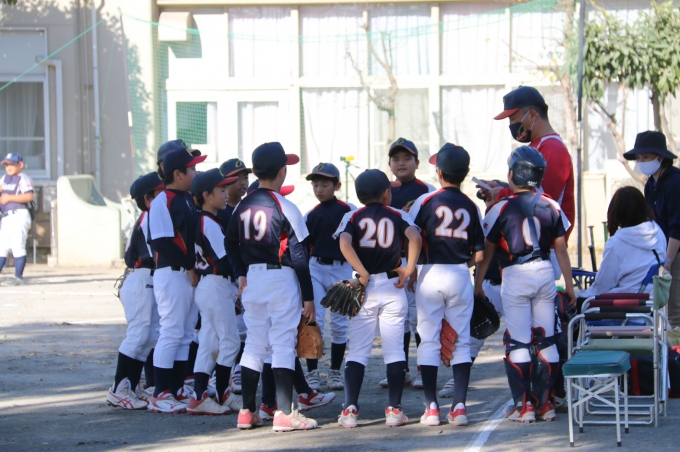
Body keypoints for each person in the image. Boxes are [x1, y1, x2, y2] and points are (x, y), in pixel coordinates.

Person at [474, 146, 575, 423]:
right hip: (544, 272)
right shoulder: (551, 205)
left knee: (518, 340)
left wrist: (478, 284)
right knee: (546, 338)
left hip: (515, 274)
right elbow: (561, 249)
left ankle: (524, 406)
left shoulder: (501, 208)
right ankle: (546, 404)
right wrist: (569, 285)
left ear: (511, 175)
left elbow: (487, 253)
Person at [225, 142, 318, 432]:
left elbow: (229, 242)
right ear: (282, 171)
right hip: (280, 278)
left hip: (253, 279)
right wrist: (308, 297)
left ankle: (247, 411)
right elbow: (300, 256)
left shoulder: (242, 205)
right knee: (282, 343)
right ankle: (285, 412)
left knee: (255, 343)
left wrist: (241, 273)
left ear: (254, 171)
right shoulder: (285, 205)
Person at [333, 169, 422, 428]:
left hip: (364, 286)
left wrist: (361, 273)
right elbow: (415, 237)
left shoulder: (352, 215)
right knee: (394, 350)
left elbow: (344, 243)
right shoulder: (397, 214)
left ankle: (350, 410)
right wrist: (410, 267)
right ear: (386, 193)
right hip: (392, 284)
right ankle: (394, 410)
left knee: (358, 350)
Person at [408, 144, 484, 427]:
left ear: (438, 171)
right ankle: (459, 407)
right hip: (460, 273)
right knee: (461, 339)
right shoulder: (471, 205)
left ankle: (431, 408)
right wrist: (463, 266)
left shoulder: (425, 201)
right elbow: (479, 254)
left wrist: (411, 270)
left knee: (428, 338)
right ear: (465, 173)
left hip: (430, 272)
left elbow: (412, 236)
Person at [491, 86, 575, 278]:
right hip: (529, 249)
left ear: (532, 114)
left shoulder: (552, 147)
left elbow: (539, 199)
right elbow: (528, 190)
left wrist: (502, 194)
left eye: (513, 119)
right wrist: (500, 187)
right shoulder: (538, 145)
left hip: (543, 250)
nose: (511, 125)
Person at [146, 149, 206, 413]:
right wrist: (190, 265)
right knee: (171, 330)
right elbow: (161, 242)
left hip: (185, 272)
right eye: (192, 169)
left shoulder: (187, 198)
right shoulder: (162, 200)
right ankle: (160, 393)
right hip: (172, 272)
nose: (195, 172)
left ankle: (177, 387)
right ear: (178, 174)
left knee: (185, 333)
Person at [186, 169, 244, 415]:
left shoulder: (206, 219)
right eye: (221, 190)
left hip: (212, 285)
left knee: (209, 343)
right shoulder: (208, 222)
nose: (225, 193)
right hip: (216, 284)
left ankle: (200, 396)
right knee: (230, 342)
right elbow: (225, 259)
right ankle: (221, 393)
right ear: (206, 195)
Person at [107, 172, 164, 410]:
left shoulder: (154, 215)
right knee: (139, 334)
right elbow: (153, 255)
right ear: (148, 198)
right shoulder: (150, 216)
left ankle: (130, 386)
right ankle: (118, 389)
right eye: (161, 192)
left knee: (149, 335)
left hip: (146, 279)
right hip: (141, 278)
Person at [383, 138, 435, 390]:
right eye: (396, 159)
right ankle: (401, 370)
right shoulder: (384, 190)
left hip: (418, 260)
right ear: (389, 164)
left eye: (407, 158)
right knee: (397, 318)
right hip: (392, 261)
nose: (401, 163)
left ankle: (424, 368)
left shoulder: (427, 190)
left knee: (418, 316)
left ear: (417, 162)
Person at [303, 162, 356, 391]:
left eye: (324, 184)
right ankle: (312, 372)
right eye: (315, 184)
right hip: (315, 267)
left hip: (341, 269)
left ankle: (334, 371)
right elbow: (304, 247)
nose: (319, 189)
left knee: (339, 323)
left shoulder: (349, 210)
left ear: (337, 185)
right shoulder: (310, 214)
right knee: (312, 320)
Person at [623, 131, 680, 327]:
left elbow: (677, 226)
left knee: (674, 311)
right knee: (661, 310)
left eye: (645, 157)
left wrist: (668, 262)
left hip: (674, 253)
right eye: (638, 158)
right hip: (661, 254)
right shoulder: (651, 184)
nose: (641, 162)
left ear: (660, 157)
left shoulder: (674, 182)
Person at [579, 186, 666, 299]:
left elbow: (602, 287)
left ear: (616, 212)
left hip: (625, 303)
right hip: (654, 301)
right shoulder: (657, 232)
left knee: (578, 302)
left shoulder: (617, 243)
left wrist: (579, 296)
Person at [216, 158, 253, 395]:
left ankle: (237, 371)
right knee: (223, 331)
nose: (242, 182)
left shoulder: (247, 209)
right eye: (236, 178)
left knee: (244, 328)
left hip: (243, 277)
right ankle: (216, 375)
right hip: (224, 278)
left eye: (245, 177)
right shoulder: (220, 211)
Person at [0, 153, 34, 286]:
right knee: (2, 246)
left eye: (12, 164)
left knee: (17, 246)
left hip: (19, 215)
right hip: (6, 216)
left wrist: (9, 198)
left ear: (20, 165)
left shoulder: (22, 178)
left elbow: (29, 196)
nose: (9, 167)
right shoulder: (5, 178)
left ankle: (19, 277)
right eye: (6, 165)